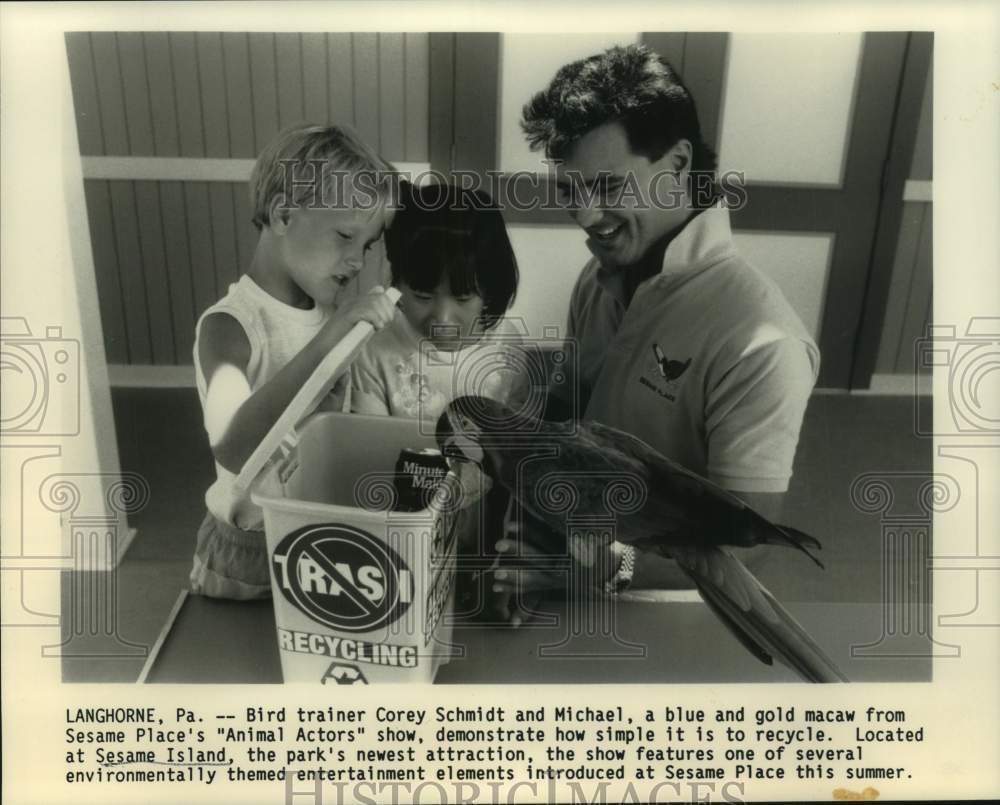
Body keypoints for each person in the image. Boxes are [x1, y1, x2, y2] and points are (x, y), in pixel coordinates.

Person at [495, 44, 820, 608]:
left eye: (609, 187)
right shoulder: (595, 279)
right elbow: (565, 418)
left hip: (670, 608)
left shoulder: (764, 343)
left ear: (677, 163)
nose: (586, 218)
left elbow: (744, 553)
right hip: (564, 572)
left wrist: (589, 569)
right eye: (570, 191)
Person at [190, 123, 398, 600]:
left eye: (367, 245)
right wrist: (328, 341)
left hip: (318, 538)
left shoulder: (329, 314)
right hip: (249, 552)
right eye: (345, 235)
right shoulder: (230, 326)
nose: (356, 261)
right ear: (283, 214)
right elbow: (232, 446)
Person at [351, 182, 529, 423]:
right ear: (396, 283)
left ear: (491, 291)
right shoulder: (373, 349)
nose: (442, 318)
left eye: (463, 298)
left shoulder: (507, 343)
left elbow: (519, 435)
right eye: (422, 297)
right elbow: (364, 446)